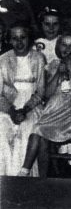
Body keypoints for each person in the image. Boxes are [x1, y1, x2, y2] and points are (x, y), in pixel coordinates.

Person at [17, 34, 71, 177]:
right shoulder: (53, 65)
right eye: (64, 44)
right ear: (58, 47)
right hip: (54, 109)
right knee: (39, 134)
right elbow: (47, 93)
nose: (68, 48)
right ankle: (36, 175)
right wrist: (58, 72)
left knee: (38, 129)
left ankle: (24, 171)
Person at [0, 25, 47, 176]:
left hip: (31, 105)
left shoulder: (38, 58)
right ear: (9, 40)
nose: (19, 42)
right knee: (2, 130)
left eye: (23, 38)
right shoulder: (3, 59)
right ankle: (5, 177)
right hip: (8, 105)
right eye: (14, 38)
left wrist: (25, 110)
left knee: (27, 130)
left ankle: (23, 177)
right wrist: (12, 111)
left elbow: (41, 92)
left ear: (29, 39)